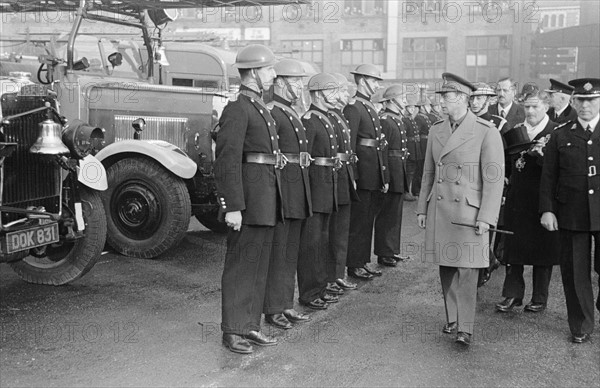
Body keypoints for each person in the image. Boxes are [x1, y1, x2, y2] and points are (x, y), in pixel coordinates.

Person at [417, 73, 504, 347]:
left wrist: (487, 217)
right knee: (447, 266)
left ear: (465, 99)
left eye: (449, 96)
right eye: (442, 96)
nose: (443, 101)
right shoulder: (436, 130)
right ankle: (452, 317)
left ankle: (465, 327)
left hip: (469, 212)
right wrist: (422, 208)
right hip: (441, 209)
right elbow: (427, 173)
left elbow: (494, 180)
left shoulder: (485, 131)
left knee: (468, 270)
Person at [214, 44, 280, 354]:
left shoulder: (259, 107)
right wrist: (234, 207)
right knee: (241, 266)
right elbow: (227, 161)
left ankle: (250, 325)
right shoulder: (238, 108)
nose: (273, 74)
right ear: (253, 72)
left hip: (264, 199)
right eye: (268, 70)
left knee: (258, 266)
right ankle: (233, 330)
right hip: (249, 202)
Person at [539, 78, 600, 344]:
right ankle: (581, 324)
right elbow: (548, 177)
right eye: (581, 101)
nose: (586, 106)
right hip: (571, 211)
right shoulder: (561, 134)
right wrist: (547, 210)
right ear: (573, 102)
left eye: (592, 100)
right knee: (575, 272)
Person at [495, 88, 559, 313]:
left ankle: (540, 297)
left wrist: (542, 158)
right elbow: (508, 164)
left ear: (546, 107)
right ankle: (513, 294)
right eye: (527, 107)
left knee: (544, 249)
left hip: (544, 199)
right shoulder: (516, 131)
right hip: (518, 198)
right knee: (514, 247)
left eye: (535, 106)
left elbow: (560, 170)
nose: (530, 111)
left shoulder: (556, 132)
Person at [263, 59, 312, 330]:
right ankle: (273, 309)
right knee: (279, 251)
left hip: (296, 188)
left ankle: (285, 304)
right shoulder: (273, 111)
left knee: (289, 251)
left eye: (301, 81)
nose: (300, 87)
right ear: (280, 82)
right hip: (284, 190)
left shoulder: (290, 111)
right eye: (295, 81)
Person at [297, 72, 341, 310]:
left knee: (322, 241)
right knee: (311, 244)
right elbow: (306, 160)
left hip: (327, 186)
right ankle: (309, 292)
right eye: (331, 90)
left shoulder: (325, 118)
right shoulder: (310, 120)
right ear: (318, 93)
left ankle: (320, 287)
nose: (335, 95)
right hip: (315, 188)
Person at [344, 64, 389, 280]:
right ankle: (354, 264)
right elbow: (350, 144)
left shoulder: (367, 106)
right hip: (362, 172)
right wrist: (352, 174)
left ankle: (362, 260)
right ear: (362, 80)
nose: (377, 85)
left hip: (372, 171)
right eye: (373, 81)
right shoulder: (354, 107)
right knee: (359, 222)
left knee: (367, 219)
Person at [326, 72, 359, 291]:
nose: (347, 94)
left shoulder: (338, 115)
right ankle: (329, 277)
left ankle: (337, 274)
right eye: (343, 90)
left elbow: (348, 150)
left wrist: (352, 176)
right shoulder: (326, 116)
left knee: (341, 231)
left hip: (344, 176)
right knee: (331, 232)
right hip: (333, 179)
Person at [374, 84, 411, 266]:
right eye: (402, 97)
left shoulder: (396, 119)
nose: (405, 100)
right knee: (387, 215)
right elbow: (382, 151)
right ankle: (384, 252)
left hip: (399, 170)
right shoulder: (385, 120)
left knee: (395, 214)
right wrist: (385, 177)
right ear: (391, 100)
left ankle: (392, 249)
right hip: (391, 170)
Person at [402, 95, 422, 201]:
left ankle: (408, 191)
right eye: (410, 107)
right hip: (410, 148)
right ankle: (406, 192)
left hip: (415, 148)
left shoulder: (411, 119)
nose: (412, 109)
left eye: (413, 107)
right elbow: (404, 137)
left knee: (412, 171)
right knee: (408, 171)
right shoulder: (404, 120)